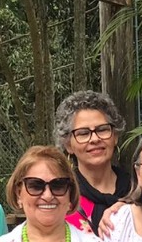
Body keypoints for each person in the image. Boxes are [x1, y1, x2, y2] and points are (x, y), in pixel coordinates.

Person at [55, 91, 134, 233]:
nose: (95, 139)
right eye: (83, 133)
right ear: (68, 145)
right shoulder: (62, 198)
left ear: (115, 136)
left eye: (102, 130)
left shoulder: (138, 191)